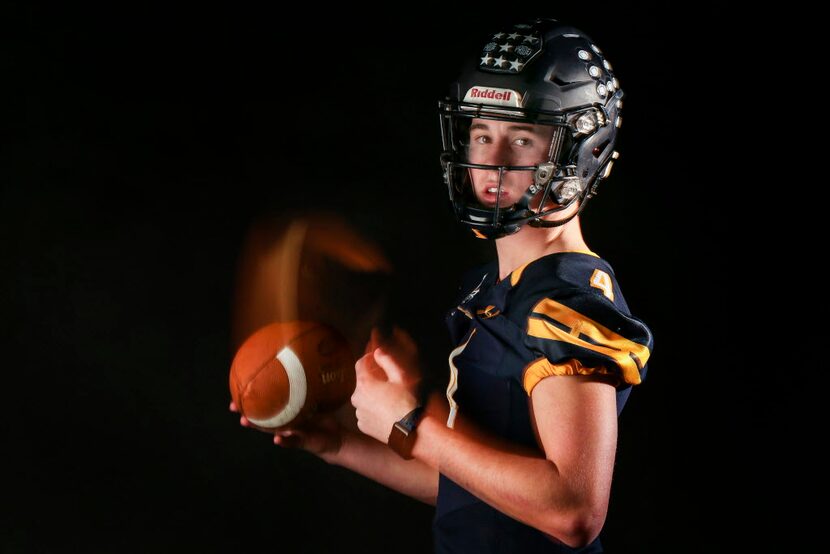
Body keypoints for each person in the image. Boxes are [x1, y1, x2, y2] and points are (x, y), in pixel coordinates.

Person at [231, 17, 653, 553]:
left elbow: (571, 511)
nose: (491, 162)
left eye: (522, 138)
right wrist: (339, 444)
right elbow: (479, 490)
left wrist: (414, 424)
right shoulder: (494, 288)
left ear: (581, 150)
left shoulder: (569, 301)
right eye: (482, 134)